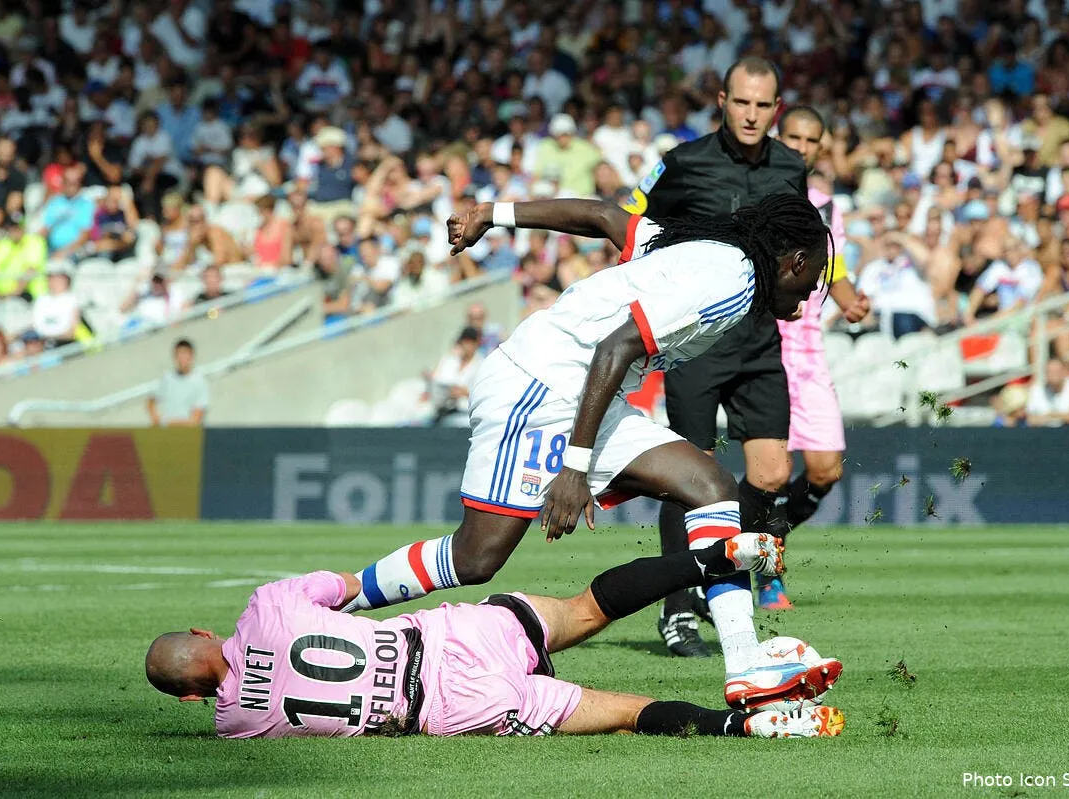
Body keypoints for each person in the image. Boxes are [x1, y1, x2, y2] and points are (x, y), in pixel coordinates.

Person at [343, 191, 836, 710]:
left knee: (712, 488)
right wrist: (574, 468)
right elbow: (615, 346)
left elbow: (601, 216)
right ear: (795, 262)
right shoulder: (732, 281)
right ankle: (338, 596)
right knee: (475, 559)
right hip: (539, 385)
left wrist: (493, 213)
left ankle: (745, 666)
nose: (807, 298)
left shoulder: (698, 251)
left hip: (590, 393)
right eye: (813, 278)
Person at [146, 532, 845, 739]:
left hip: (447, 709)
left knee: (625, 710)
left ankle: (750, 729)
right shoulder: (268, 604)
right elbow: (350, 587)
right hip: (447, 635)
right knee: (585, 608)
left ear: (191, 699)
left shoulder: (236, 722)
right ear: (206, 631)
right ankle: (715, 557)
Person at [621, 56, 808, 658]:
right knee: (689, 479)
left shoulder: (791, 164)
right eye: (742, 102)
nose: (752, 115)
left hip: (759, 340)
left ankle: (708, 567)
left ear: (776, 109)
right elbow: (630, 217)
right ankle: (678, 613)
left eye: (764, 105)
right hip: (697, 339)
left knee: (773, 473)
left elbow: (801, 240)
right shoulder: (681, 162)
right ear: (722, 101)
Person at [765, 106, 872, 610]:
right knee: (772, 470)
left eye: (811, 140)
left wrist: (850, 298)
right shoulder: (759, 192)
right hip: (764, 344)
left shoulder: (827, 206)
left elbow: (835, 267)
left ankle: (766, 540)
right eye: (794, 137)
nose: (801, 147)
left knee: (826, 468)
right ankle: (765, 574)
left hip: (808, 353)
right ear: (777, 137)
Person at [430, 326, 484, 427]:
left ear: (477, 343)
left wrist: (465, 393)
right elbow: (437, 381)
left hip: (466, 413)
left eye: (471, 342)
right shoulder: (450, 360)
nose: (467, 345)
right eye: (465, 342)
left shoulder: (482, 364)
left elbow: (483, 394)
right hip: (443, 409)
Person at [147, 338, 209, 427]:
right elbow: (150, 402)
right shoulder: (168, 379)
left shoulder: (200, 383)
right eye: (179, 354)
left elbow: (196, 419)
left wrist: (166, 422)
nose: (182, 358)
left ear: (191, 356)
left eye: (185, 354)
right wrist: (156, 418)